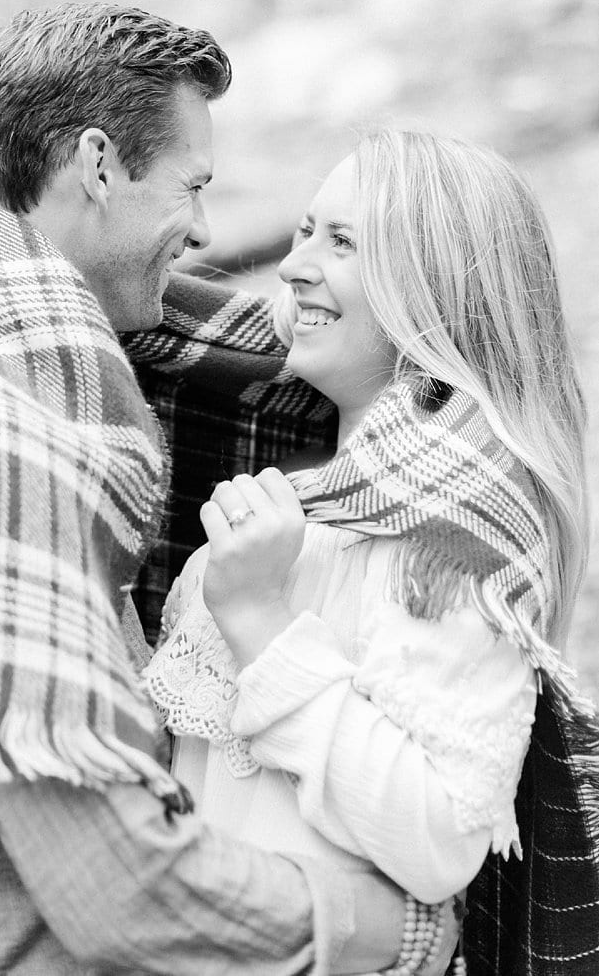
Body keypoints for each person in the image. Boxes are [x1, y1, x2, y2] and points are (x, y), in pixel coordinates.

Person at [0, 3, 415, 975]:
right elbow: (131, 891)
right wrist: (391, 929)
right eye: (191, 185)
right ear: (99, 165)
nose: (199, 229)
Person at [139, 130, 599, 975]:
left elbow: (439, 838)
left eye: (342, 241)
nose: (291, 263)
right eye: (304, 229)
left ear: (436, 285)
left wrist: (258, 620)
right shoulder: (300, 488)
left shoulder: (452, 535)